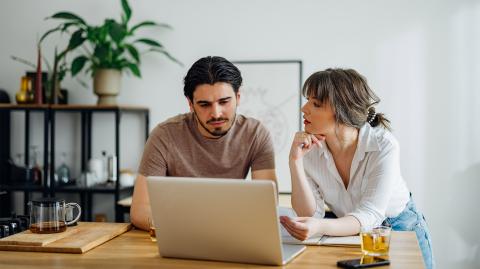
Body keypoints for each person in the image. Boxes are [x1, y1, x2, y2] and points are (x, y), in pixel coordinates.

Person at [279, 68, 434, 269]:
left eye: (315, 104)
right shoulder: (311, 149)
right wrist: (295, 161)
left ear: (343, 111)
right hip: (350, 231)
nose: (304, 108)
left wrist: (320, 226)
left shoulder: (383, 145)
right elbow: (309, 214)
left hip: (399, 229)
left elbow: (370, 214)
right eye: (307, 100)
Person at [131, 56, 277, 231]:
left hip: (230, 233)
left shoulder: (255, 134)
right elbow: (139, 210)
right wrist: (195, 227)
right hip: (179, 233)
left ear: (238, 97)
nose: (216, 113)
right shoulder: (164, 135)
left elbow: (266, 207)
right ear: (190, 104)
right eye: (204, 104)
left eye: (224, 102)